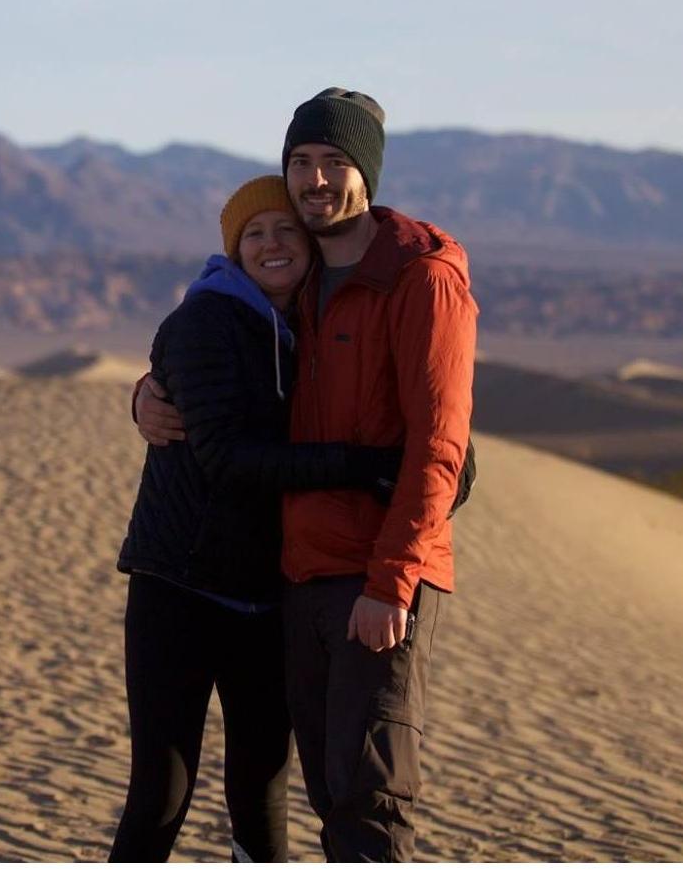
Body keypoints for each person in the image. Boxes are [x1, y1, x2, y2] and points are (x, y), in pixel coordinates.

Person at [135, 88, 477, 863]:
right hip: (298, 581)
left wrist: (392, 580)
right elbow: (211, 354)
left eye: (333, 162)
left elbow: (440, 444)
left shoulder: (418, 277)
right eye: (299, 162)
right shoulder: (304, 280)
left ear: (368, 173)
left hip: (374, 581)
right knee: (329, 795)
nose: (315, 179)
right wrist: (147, 393)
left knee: (367, 805)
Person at [110, 174, 403, 863]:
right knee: (161, 788)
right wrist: (360, 466)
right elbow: (226, 458)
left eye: (284, 230)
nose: (271, 244)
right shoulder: (203, 320)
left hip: (267, 596)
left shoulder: (310, 326)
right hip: (178, 587)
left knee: (260, 784)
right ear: (233, 250)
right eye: (253, 233)